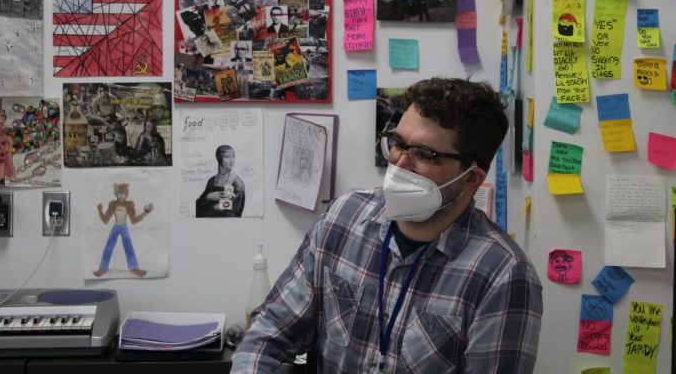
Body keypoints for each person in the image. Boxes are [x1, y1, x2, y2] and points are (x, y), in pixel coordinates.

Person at [232, 78, 542, 372]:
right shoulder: (344, 219)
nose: (399, 162)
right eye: (397, 143)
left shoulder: (503, 275)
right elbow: (269, 334)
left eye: (424, 154)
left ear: (471, 179)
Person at [93, 182, 152, 278]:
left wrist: (146, 212)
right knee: (109, 245)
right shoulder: (113, 203)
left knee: (128, 246)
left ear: (127, 193)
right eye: (119, 193)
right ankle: (102, 268)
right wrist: (99, 210)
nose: (121, 195)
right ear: (115, 193)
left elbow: (134, 220)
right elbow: (105, 219)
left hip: (124, 227)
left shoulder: (129, 204)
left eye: (124, 193)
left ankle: (134, 268)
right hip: (116, 226)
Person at [196, 145, 246, 217]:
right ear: (219, 159)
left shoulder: (237, 183)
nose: (231, 161)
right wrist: (208, 197)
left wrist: (208, 205)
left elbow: (226, 207)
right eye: (227, 157)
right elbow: (199, 204)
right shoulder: (211, 181)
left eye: (233, 156)